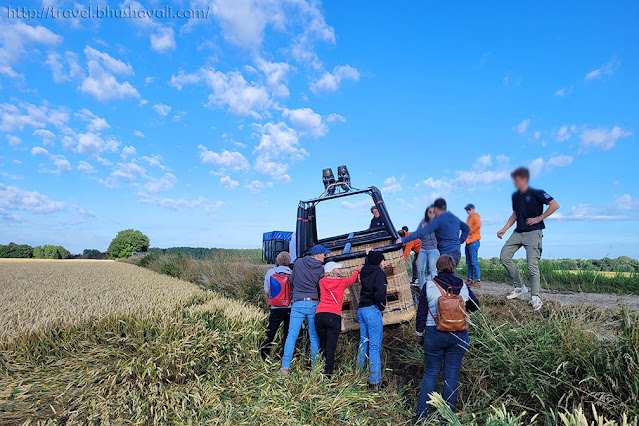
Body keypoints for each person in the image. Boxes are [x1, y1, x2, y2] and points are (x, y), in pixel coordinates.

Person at [414, 254, 480, 421]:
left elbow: (421, 314)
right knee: (451, 375)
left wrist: (419, 336)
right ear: (453, 267)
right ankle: (447, 418)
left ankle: (421, 416)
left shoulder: (429, 285)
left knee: (430, 373)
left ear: (437, 267)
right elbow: (476, 305)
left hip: (434, 333)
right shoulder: (463, 285)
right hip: (459, 335)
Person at [497, 167, 560, 311]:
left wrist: (539, 218)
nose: (515, 182)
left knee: (531, 265)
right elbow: (515, 214)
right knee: (504, 256)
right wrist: (504, 229)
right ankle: (519, 287)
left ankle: (535, 297)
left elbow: (554, 205)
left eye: (517, 179)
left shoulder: (537, 193)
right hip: (518, 232)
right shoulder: (515, 196)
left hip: (533, 233)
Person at [278, 244, 330, 377]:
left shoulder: (298, 262)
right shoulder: (320, 269)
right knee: (313, 336)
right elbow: (320, 288)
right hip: (313, 303)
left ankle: (285, 368)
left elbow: (292, 280)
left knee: (291, 335)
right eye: (324, 254)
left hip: (298, 303)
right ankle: (315, 367)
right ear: (317, 255)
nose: (325, 257)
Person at [315, 261, 360, 377]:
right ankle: (327, 375)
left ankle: (319, 370)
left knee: (323, 345)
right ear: (333, 270)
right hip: (333, 315)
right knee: (331, 348)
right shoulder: (341, 282)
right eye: (338, 269)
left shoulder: (321, 282)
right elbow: (352, 280)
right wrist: (357, 270)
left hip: (319, 315)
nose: (340, 270)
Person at [399, 198, 470, 271]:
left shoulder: (439, 220)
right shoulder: (453, 218)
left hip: (446, 255)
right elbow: (466, 228)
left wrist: (403, 240)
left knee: (445, 279)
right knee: (450, 278)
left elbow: (420, 232)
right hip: (456, 252)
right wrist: (459, 241)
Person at [357, 250, 388, 389]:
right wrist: (381, 307)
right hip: (372, 310)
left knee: (363, 343)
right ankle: (375, 381)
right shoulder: (379, 273)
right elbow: (380, 292)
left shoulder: (364, 271)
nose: (384, 262)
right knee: (375, 347)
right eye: (383, 260)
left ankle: (358, 376)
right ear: (378, 261)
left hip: (362, 309)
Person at [260, 251, 292, 359]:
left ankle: (264, 355)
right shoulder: (292, 273)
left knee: (271, 332)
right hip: (289, 307)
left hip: (275, 307)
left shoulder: (270, 272)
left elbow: (266, 290)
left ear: (277, 261)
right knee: (287, 333)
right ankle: (284, 356)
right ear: (289, 261)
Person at [414, 206, 439, 289]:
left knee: (433, 271)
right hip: (423, 249)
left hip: (433, 249)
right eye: (429, 212)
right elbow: (417, 233)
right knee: (420, 270)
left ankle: (435, 290)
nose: (431, 214)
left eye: (433, 212)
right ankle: (422, 290)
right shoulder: (423, 223)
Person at [464, 204, 481, 288]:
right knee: (469, 262)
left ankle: (478, 280)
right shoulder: (469, 218)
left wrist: (469, 232)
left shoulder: (475, 215)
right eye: (467, 209)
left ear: (473, 209)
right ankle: (470, 279)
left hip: (474, 241)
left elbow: (478, 224)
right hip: (468, 242)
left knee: (474, 261)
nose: (468, 211)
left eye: (469, 209)